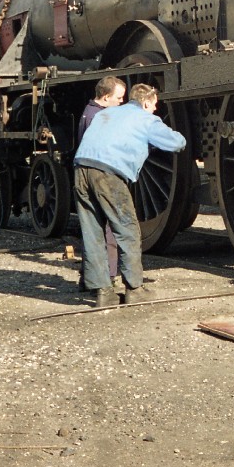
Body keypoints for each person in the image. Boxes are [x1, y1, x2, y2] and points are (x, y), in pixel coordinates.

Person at [74, 82, 187, 308]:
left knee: (92, 232)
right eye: (154, 105)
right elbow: (177, 143)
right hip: (108, 173)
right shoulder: (146, 119)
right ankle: (135, 288)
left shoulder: (108, 112)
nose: (156, 110)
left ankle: (103, 293)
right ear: (146, 102)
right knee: (127, 230)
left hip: (80, 169)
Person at [77, 75, 126, 286]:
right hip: (100, 177)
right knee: (110, 230)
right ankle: (109, 278)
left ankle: (88, 279)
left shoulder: (89, 113)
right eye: (118, 98)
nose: (121, 102)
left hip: (87, 176)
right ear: (105, 98)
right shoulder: (98, 118)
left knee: (93, 230)